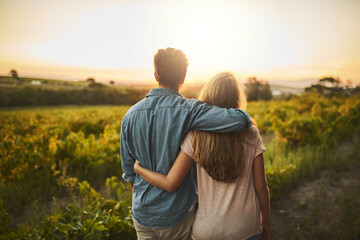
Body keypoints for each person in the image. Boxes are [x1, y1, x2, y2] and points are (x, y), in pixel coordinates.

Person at [121, 48, 252, 239]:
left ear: (156, 74)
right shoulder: (190, 111)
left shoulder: (129, 116)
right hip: (178, 216)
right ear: (183, 76)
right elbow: (242, 120)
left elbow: (130, 175)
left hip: (142, 216)